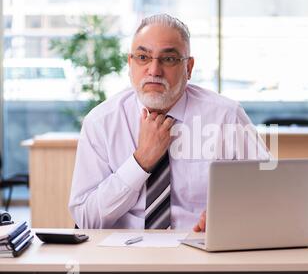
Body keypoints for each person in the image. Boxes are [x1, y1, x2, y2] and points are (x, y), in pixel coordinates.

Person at [69, 14, 269, 231]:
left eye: (169, 59)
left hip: (202, 252)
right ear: (130, 64)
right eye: (143, 57)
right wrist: (141, 161)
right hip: (124, 256)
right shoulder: (101, 123)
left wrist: (231, 216)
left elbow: (270, 192)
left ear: (189, 68)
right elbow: (87, 220)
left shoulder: (226, 117)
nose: (154, 70)